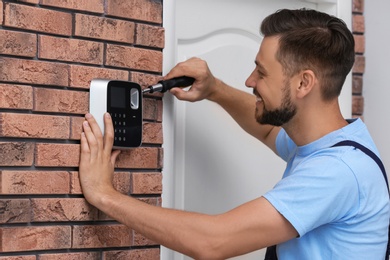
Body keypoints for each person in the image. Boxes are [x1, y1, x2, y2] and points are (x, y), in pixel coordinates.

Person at [79, 8, 389, 259]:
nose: (249, 80)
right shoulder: (329, 141)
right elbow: (269, 132)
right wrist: (214, 89)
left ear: (304, 83)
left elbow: (214, 241)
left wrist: (104, 193)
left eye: (262, 72)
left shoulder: (337, 171)